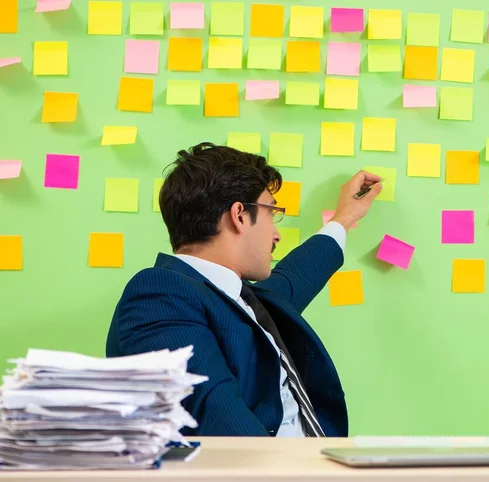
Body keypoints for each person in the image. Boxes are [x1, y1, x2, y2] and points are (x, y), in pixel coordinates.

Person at [105, 142, 383, 437]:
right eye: (271, 213)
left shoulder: (244, 301)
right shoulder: (159, 294)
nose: (277, 234)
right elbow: (216, 415)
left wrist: (344, 219)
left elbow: (294, 278)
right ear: (239, 215)